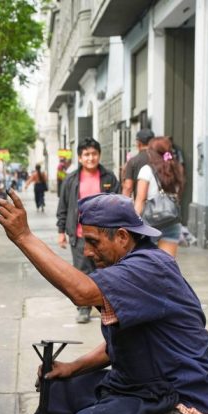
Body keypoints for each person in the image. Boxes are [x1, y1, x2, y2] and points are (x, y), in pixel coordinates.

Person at [0, 192, 208, 414]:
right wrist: (73, 368)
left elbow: (81, 292)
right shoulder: (134, 264)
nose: (87, 252)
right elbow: (121, 344)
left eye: (93, 242)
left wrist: (24, 237)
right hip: (153, 385)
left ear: (123, 237)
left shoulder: (148, 268)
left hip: (187, 404)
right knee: (60, 393)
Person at [56, 138, 120, 323]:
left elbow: (118, 203)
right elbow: (63, 206)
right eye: (86, 154)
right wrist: (61, 231)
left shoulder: (109, 178)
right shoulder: (71, 180)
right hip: (79, 235)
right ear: (80, 158)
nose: (90, 158)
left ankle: (109, 307)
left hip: (105, 235)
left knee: (107, 272)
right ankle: (84, 308)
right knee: (82, 273)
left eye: (94, 154)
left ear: (99, 155)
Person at [134, 137, 186, 257]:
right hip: (172, 222)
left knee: (147, 264)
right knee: (166, 264)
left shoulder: (146, 170)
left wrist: (133, 225)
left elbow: (140, 200)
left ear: (151, 153)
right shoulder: (177, 169)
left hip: (150, 224)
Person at [121, 128, 154, 199]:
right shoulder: (161, 160)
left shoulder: (133, 161)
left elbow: (128, 187)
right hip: (162, 203)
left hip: (142, 203)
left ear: (139, 143)